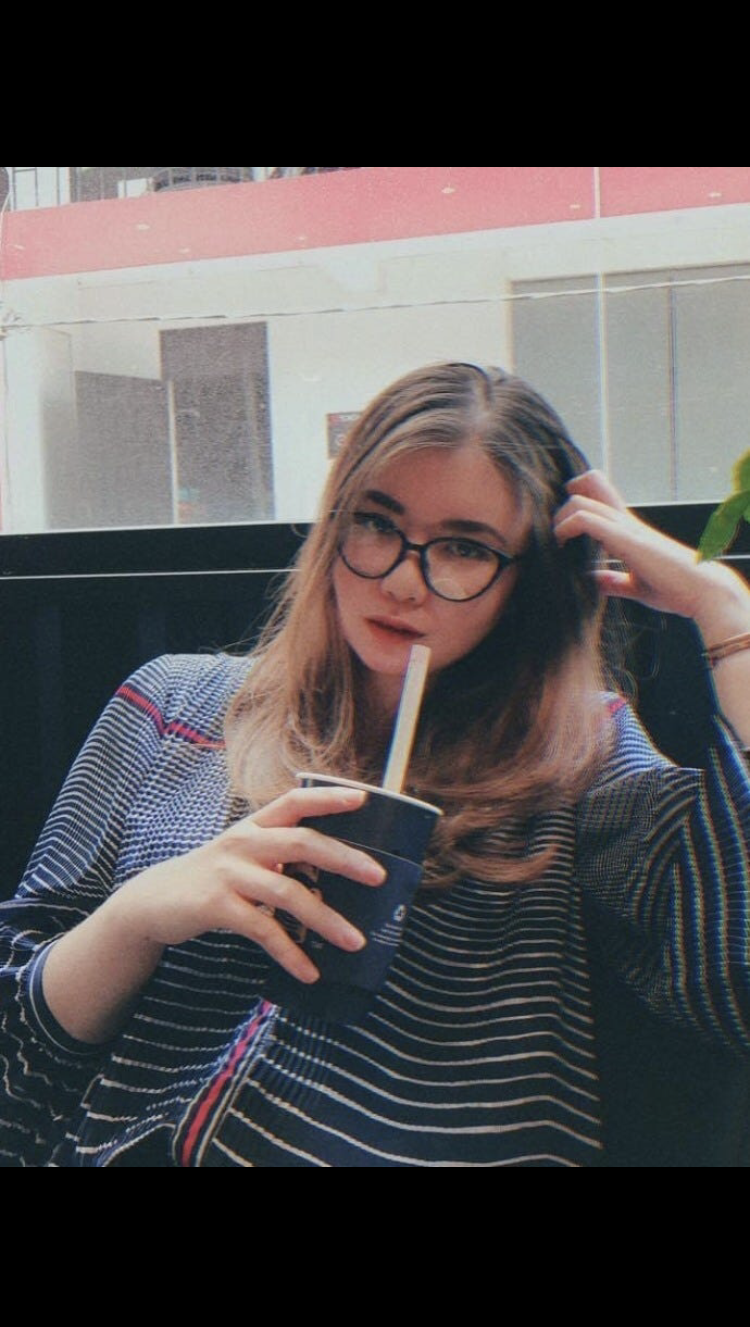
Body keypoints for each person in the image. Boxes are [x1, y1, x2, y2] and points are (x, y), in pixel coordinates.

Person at [2, 362, 749, 1167]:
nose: (401, 580)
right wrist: (134, 919)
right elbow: (18, 1062)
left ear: (526, 583)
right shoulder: (170, 704)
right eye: (376, 523)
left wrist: (729, 617)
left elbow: (729, 986)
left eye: (464, 548)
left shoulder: (581, 757)